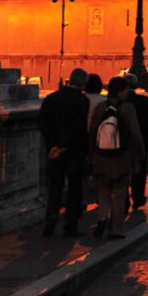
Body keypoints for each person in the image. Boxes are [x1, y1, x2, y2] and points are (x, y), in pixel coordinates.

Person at [88, 76, 145, 239]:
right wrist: (140, 153)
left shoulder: (100, 107)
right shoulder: (128, 108)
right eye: (125, 89)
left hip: (101, 157)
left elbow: (93, 132)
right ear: (120, 91)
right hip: (122, 157)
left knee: (103, 191)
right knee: (119, 194)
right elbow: (135, 133)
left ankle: (102, 217)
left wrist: (91, 152)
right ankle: (116, 229)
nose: (127, 92)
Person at [38, 67, 89, 237]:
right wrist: (63, 145)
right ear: (83, 84)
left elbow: (42, 123)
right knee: (74, 188)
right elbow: (78, 127)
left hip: (53, 151)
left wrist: (53, 145)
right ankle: (70, 225)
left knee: (55, 186)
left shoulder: (51, 98)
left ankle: (52, 214)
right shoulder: (82, 101)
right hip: (73, 151)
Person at [124, 74, 148, 211]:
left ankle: (123, 200)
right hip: (140, 141)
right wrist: (147, 141)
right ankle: (138, 198)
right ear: (136, 85)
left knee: (122, 172)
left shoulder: (119, 102)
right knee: (140, 171)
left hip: (122, 142)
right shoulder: (144, 101)